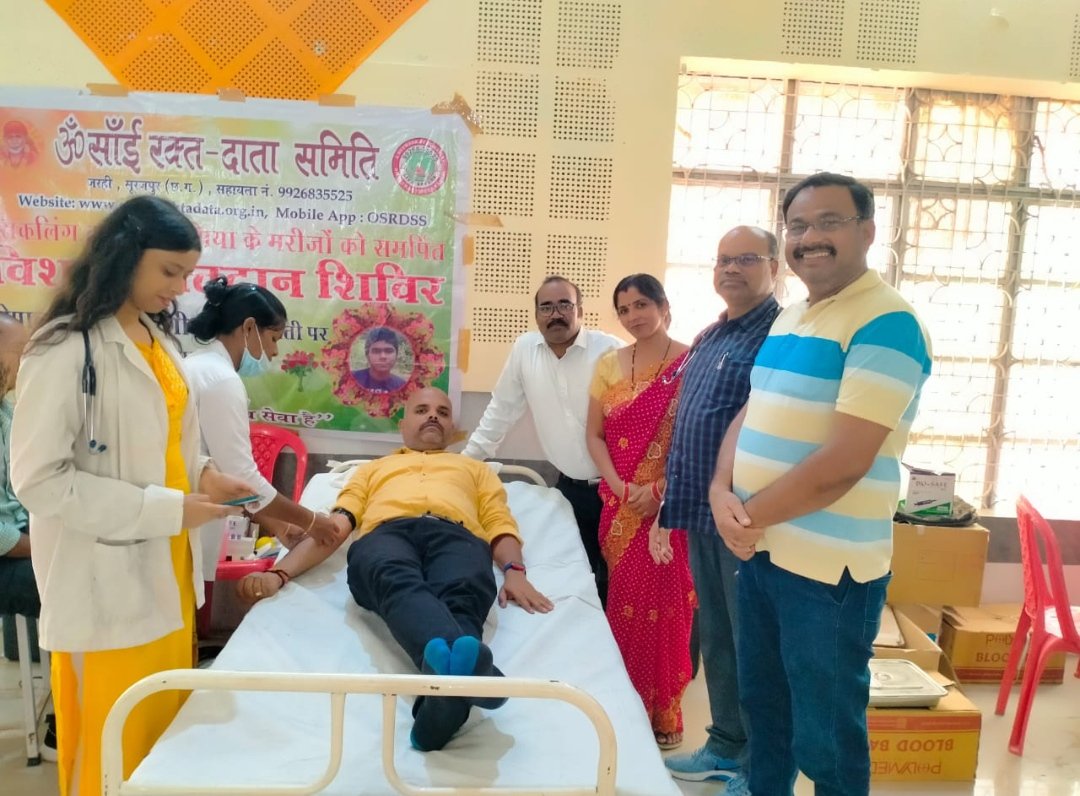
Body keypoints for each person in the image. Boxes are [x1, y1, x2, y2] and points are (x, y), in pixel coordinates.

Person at [10, 196, 253, 795]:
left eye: (186, 274)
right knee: (110, 750)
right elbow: (39, 479)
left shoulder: (155, 339)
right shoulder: (65, 348)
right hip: (104, 580)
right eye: (169, 271)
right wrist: (167, 509)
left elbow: (164, 441)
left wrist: (204, 475)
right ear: (124, 256)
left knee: (159, 740)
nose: (179, 289)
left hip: (168, 568)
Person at [710, 173, 932, 796]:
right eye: (799, 225)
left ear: (868, 231)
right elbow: (751, 409)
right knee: (767, 714)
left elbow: (844, 462)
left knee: (826, 738)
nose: (811, 238)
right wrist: (720, 490)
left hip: (829, 575)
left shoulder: (887, 321)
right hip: (763, 556)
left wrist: (745, 517)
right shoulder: (794, 315)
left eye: (830, 222)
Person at [238, 386, 554, 751]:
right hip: (387, 535)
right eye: (422, 409)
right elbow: (335, 528)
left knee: (465, 585)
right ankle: (470, 675)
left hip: (457, 535)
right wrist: (279, 573)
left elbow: (499, 522)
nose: (433, 415)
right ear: (403, 425)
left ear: (452, 429)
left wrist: (514, 570)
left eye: (443, 412)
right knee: (390, 574)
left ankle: (444, 704)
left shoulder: (474, 470)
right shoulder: (373, 470)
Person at [660, 227, 781, 784]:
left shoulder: (780, 334)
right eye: (723, 259)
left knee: (751, 642)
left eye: (746, 259)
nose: (731, 268)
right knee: (716, 634)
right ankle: (727, 743)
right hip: (698, 511)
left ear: (775, 267)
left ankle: (760, 766)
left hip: (744, 515)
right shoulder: (712, 333)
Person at [584, 274, 693, 750]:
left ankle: (663, 709)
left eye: (642, 304)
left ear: (664, 306)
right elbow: (594, 435)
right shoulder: (609, 364)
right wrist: (618, 486)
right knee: (623, 608)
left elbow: (698, 440)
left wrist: (661, 490)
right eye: (624, 309)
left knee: (668, 611)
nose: (634, 316)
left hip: (671, 507)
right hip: (620, 504)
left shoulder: (691, 361)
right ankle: (623, 708)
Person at [464, 275, 622, 602]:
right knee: (575, 578)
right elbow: (502, 410)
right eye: (546, 307)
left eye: (565, 305)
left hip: (618, 490)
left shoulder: (609, 350)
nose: (556, 314)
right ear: (536, 314)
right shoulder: (525, 350)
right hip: (569, 490)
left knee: (621, 582)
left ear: (580, 310)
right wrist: (465, 463)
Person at [184, 276, 340, 569]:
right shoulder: (221, 380)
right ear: (249, 328)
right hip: (189, 524)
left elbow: (224, 473)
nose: (275, 352)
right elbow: (240, 476)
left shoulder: (199, 366)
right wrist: (311, 521)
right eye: (274, 338)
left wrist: (279, 525)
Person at [351, 326, 407, 392]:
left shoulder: (402, 386)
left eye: (388, 351)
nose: (383, 356)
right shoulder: (351, 379)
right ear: (367, 355)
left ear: (396, 355)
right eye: (376, 351)